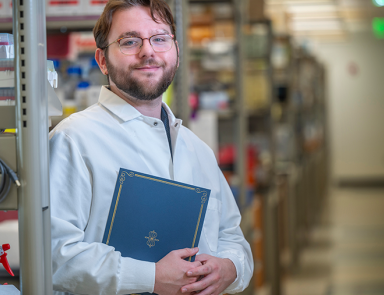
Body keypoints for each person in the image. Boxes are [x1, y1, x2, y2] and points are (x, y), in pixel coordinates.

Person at [49, 1, 254, 294]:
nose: (148, 51)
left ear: (176, 53)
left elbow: (234, 240)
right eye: (130, 41)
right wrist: (150, 276)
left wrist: (229, 269)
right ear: (102, 60)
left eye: (160, 39)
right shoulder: (74, 139)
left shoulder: (197, 150)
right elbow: (56, 256)